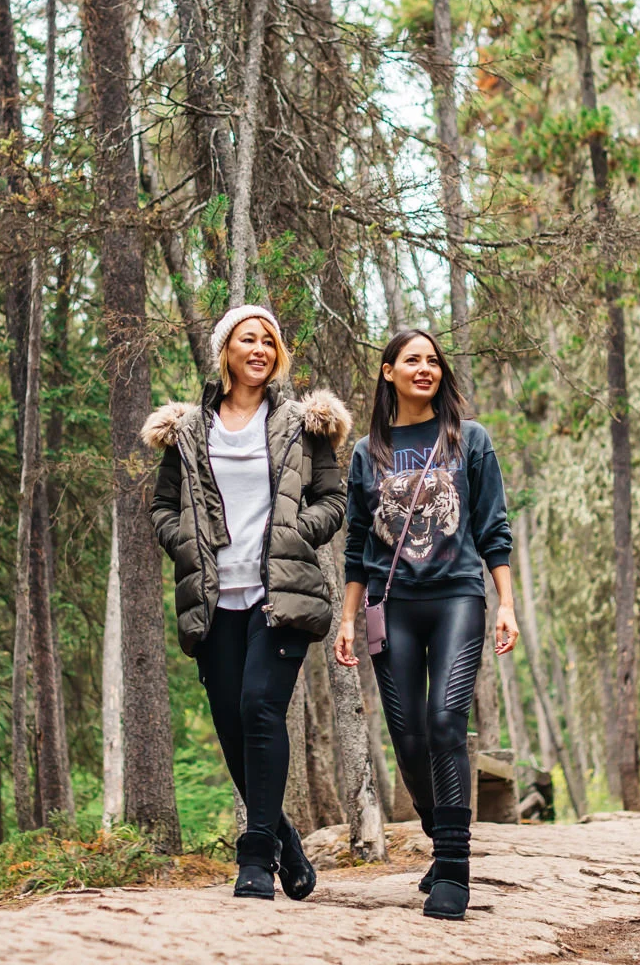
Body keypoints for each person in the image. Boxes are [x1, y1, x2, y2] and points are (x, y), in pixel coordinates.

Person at [144, 304, 351, 899]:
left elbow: (332, 502)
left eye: (268, 341)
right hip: (213, 599)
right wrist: (182, 541)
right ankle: (284, 838)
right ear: (225, 352)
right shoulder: (187, 430)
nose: (259, 349)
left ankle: (255, 857)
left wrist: (294, 533)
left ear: (277, 354)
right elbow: (162, 505)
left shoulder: (301, 423)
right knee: (233, 727)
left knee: (262, 709)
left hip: (277, 594)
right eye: (246, 340)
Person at [334, 328, 517, 920]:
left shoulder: (471, 440)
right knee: (409, 738)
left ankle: (455, 870)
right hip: (394, 605)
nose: (425, 369)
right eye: (412, 360)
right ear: (388, 372)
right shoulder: (368, 451)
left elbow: (493, 528)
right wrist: (346, 617)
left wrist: (506, 603)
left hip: (458, 597)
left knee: (444, 722)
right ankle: (443, 840)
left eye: (433, 361)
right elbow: (359, 542)